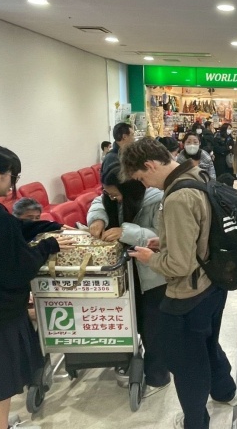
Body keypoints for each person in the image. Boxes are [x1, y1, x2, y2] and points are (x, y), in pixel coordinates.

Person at [120, 138, 237, 429]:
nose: (145, 184)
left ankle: (195, 422)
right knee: (207, 343)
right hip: (213, 281)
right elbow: (200, 230)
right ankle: (225, 391)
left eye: (141, 177)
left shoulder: (176, 198)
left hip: (189, 292)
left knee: (187, 365)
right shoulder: (196, 174)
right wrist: (166, 241)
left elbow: (179, 265)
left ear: (150, 165)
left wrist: (150, 258)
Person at [0, 143, 74, 429]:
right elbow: (17, 270)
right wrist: (49, 246)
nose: (13, 182)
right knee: (1, 383)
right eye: (13, 176)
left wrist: (47, 227)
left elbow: (12, 231)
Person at [87, 159, 170, 397]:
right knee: (126, 322)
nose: (113, 199)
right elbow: (98, 202)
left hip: (152, 276)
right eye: (109, 195)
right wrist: (98, 219)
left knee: (153, 327)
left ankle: (157, 375)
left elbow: (161, 237)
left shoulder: (158, 200)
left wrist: (126, 232)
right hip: (121, 273)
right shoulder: (110, 197)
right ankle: (127, 361)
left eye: (116, 195)